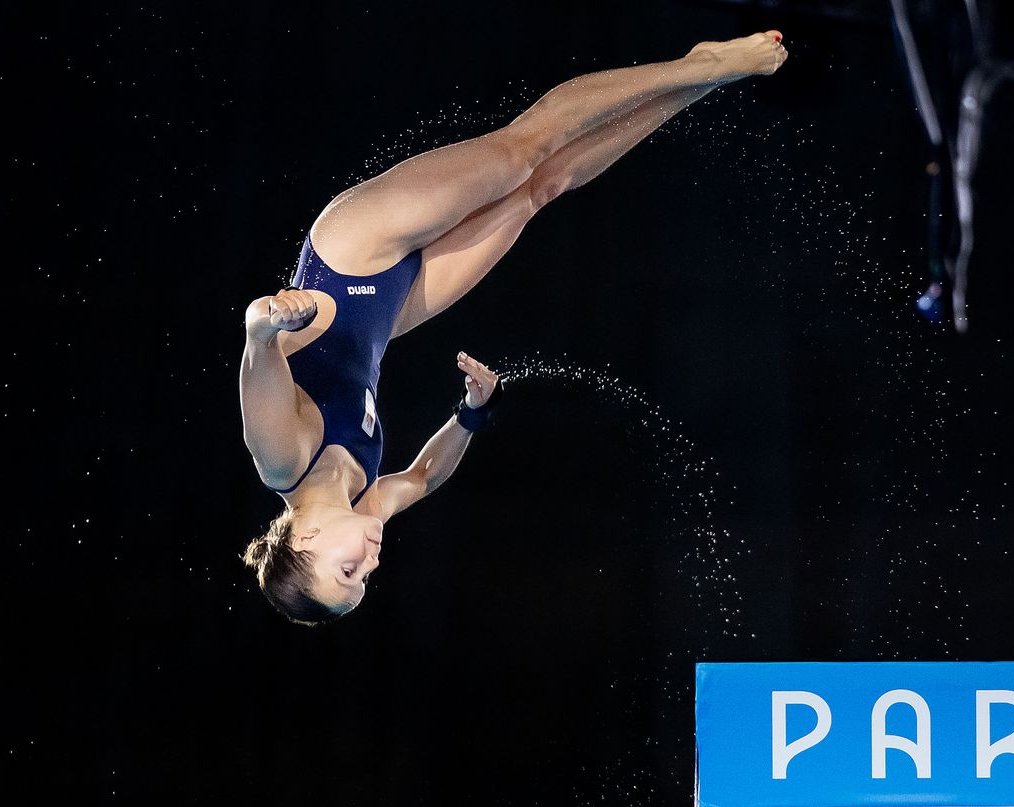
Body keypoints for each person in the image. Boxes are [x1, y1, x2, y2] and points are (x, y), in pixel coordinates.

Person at [239, 31, 789, 625]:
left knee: (521, 150)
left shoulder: (282, 461)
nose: (371, 564)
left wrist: (269, 320)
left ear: (306, 543)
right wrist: (472, 414)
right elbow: (422, 479)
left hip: (349, 257)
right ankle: (698, 80)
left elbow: (256, 352)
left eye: (349, 572)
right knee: (540, 188)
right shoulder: (361, 502)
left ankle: (703, 64)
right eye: (366, 582)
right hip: (387, 313)